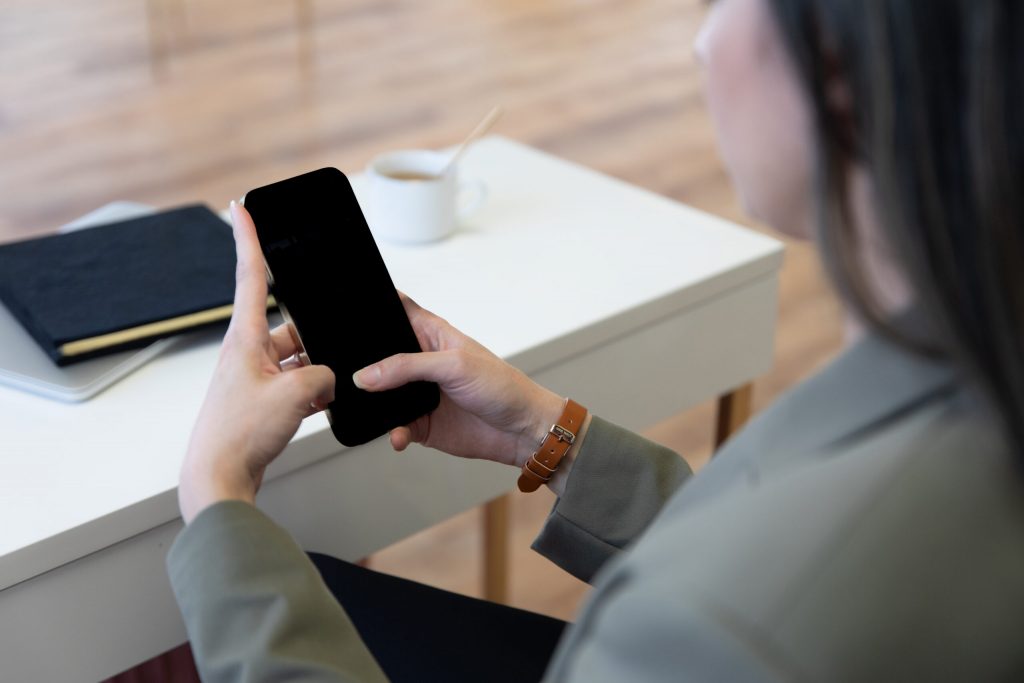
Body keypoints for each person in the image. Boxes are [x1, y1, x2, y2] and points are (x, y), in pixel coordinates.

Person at [167, 0, 1024, 680]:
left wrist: (216, 497)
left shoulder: (722, 636)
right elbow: (747, 553)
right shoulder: (965, 374)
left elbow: (741, 600)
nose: (700, 45)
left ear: (837, 68)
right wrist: (550, 437)